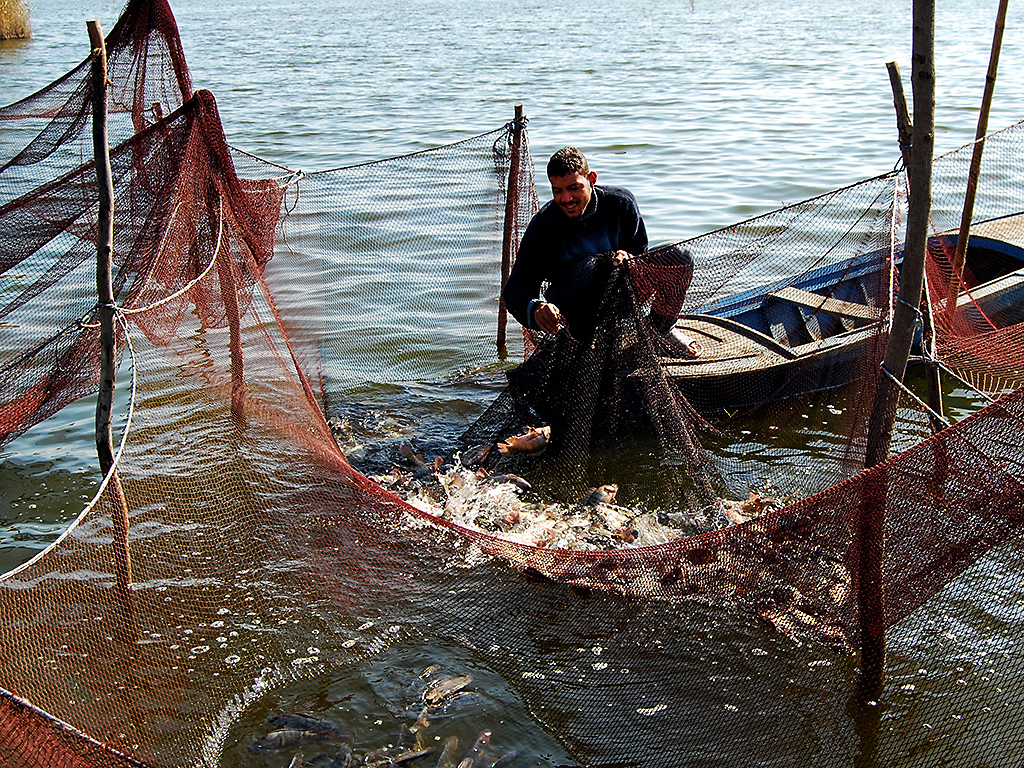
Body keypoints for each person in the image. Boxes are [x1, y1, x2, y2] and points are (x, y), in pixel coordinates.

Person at [501, 146, 702, 356]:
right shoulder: (543, 226)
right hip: (573, 310)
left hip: (621, 291)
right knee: (590, 267)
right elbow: (515, 289)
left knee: (680, 258)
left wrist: (629, 257)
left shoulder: (621, 203)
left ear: (592, 179)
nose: (566, 198)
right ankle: (583, 344)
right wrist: (536, 308)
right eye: (557, 191)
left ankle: (661, 329)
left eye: (574, 187)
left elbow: (640, 252)